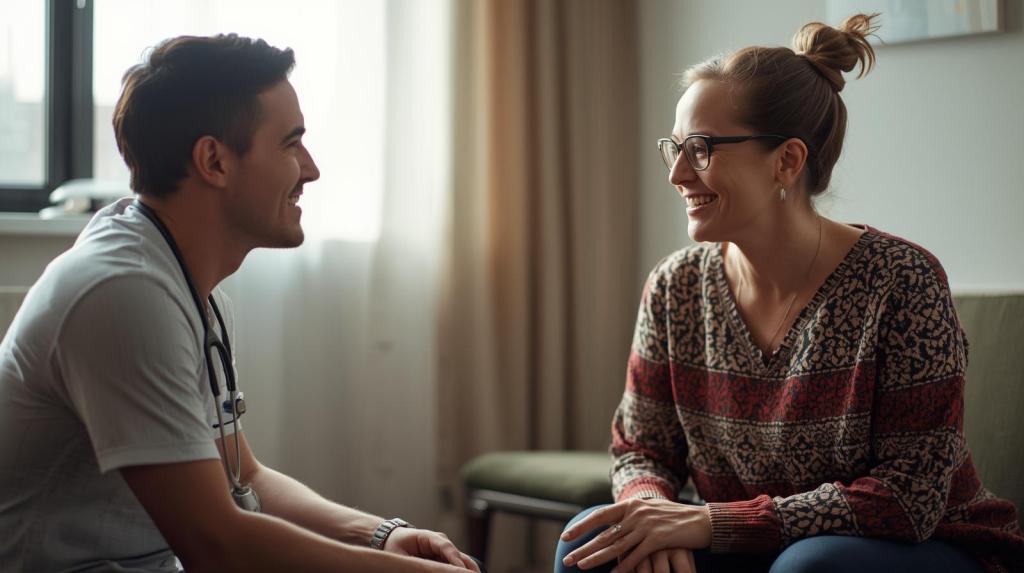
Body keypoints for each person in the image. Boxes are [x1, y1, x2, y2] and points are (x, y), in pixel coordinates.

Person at [553, 14, 1023, 573]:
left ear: (788, 161)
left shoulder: (902, 281)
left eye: (701, 148)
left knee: (811, 567)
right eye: (674, 147)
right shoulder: (675, 287)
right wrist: (651, 512)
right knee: (591, 547)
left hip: (918, 547)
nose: (677, 172)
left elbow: (908, 496)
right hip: (752, 543)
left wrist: (709, 522)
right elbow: (642, 449)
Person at [0, 34, 481, 573]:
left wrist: (382, 535)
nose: (311, 168)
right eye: (290, 143)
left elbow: (243, 478)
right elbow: (216, 544)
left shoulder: (184, 285)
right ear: (214, 161)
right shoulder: (121, 295)